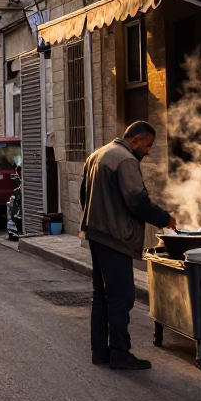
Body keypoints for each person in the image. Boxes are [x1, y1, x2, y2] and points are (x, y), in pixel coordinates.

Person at [80, 121, 175, 370]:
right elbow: (137, 202)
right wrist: (165, 219)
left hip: (96, 234)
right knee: (121, 297)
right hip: (115, 238)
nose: (148, 151)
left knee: (102, 296)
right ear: (135, 140)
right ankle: (120, 354)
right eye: (148, 145)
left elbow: (83, 196)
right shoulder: (125, 159)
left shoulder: (96, 155)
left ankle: (100, 353)